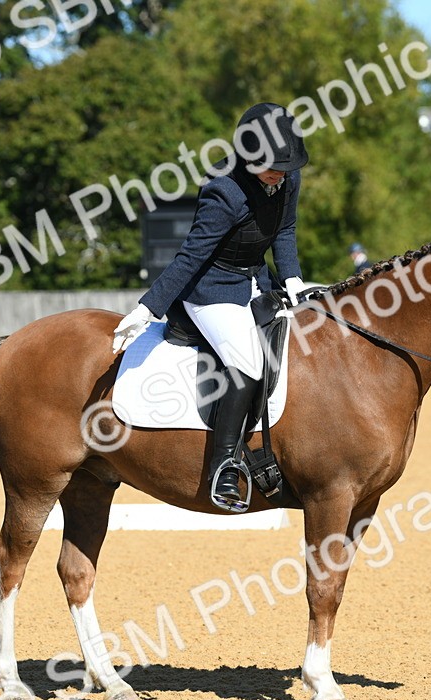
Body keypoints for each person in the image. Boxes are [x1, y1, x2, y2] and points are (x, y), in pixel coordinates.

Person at [111, 103, 309, 512]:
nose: (280, 174)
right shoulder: (224, 191)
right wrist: (149, 308)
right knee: (248, 362)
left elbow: (285, 230)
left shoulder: (287, 177)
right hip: (211, 288)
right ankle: (224, 466)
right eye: (272, 167)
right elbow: (192, 255)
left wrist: (292, 279)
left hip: (257, 281)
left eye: (285, 167)